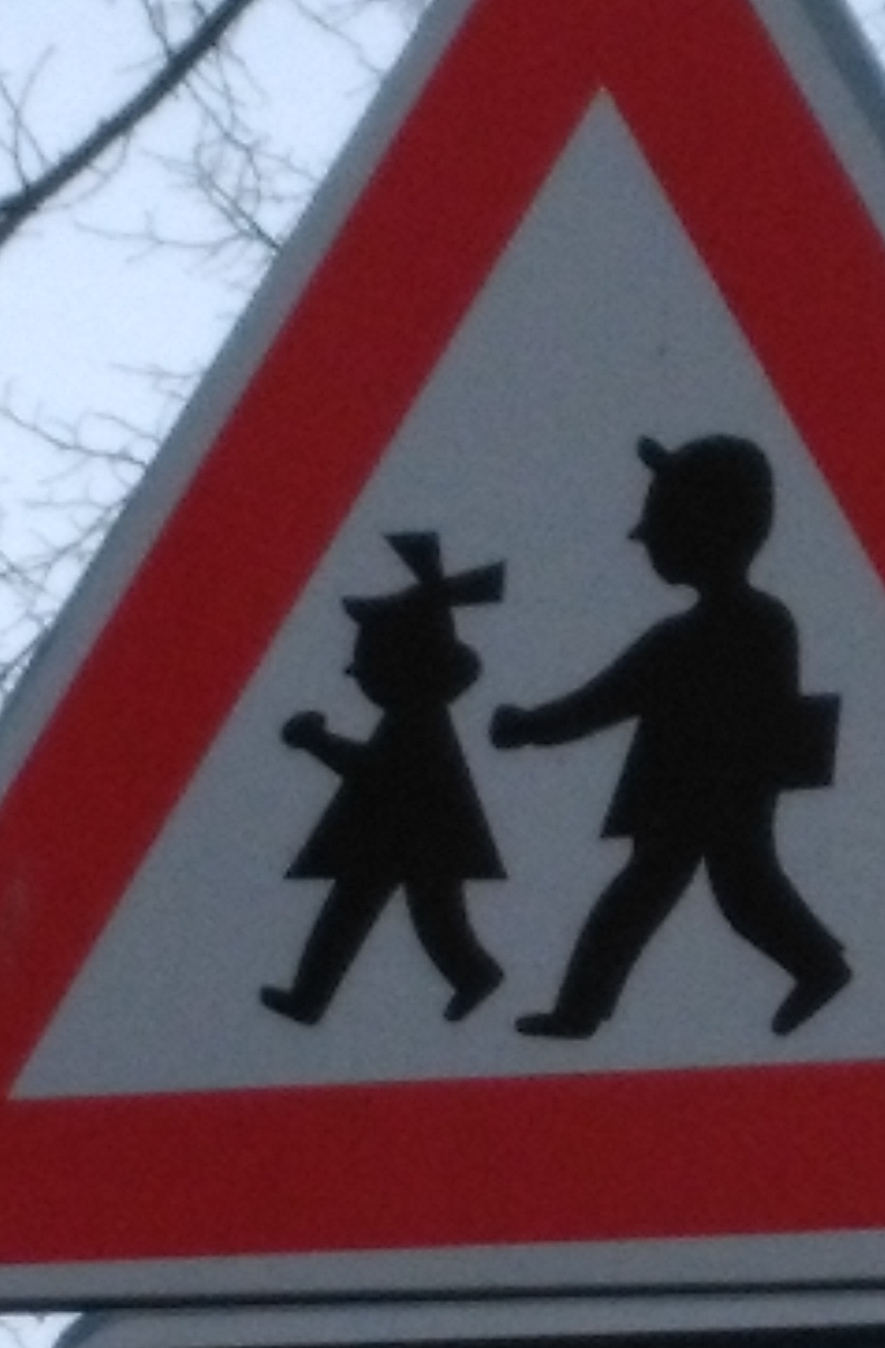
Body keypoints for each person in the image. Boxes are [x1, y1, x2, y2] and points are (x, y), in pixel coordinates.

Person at [490, 433, 849, 1038]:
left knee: (696, 893)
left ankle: (816, 967)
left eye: (660, 523)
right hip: (712, 791)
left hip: (700, 793)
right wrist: (533, 728)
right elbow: (609, 698)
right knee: (723, 890)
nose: (646, 539)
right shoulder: (760, 623)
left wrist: (530, 727)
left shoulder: (708, 634)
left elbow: (603, 701)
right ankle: (816, 966)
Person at [259, 530, 507, 1026]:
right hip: (397, 834)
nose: (355, 671)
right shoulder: (413, 720)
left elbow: (374, 772)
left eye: (366, 659)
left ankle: (472, 974)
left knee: (422, 917)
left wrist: (316, 741)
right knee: (379, 914)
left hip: (414, 835)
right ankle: (311, 997)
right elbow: (378, 773)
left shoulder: (416, 723)